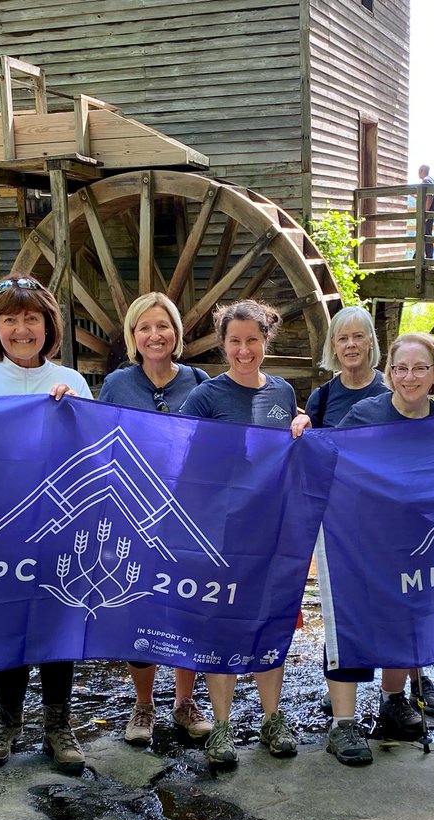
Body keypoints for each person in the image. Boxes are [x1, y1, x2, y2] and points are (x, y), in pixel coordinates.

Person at [306, 309, 434, 767]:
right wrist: (301, 432)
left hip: (417, 538)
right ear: (390, 373)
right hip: (361, 537)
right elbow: (329, 461)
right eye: (402, 368)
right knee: (350, 618)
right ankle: (343, 724)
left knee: (407, 615)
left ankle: (393, 697)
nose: (410, 377)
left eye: (419, 368)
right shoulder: (365, 413)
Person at [0, 275, 92, 776]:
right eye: (11, 319)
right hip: (0, 522)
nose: (22, 329)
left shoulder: (73, 383)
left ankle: (59, 724)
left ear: (48, 326)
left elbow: (93, 454)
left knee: (58, 618)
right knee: (6, 619)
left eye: (31, 318)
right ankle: (7, 721)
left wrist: (74, 414)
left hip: (61, 523)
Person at [179, 299, 311, 768]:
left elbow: (285, 450)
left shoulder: (281, 392)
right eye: (234, 341)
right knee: (220, 625)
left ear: (265, 340)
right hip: (221, 533)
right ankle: (222, 726)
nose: (243, 349)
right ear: (223, 344)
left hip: (271, 529)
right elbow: (183, 465)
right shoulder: (206, 397)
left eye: (252, 340)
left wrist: (302, 426)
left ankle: (273, 719)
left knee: (270, 621)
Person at [98, 292, 214, 746]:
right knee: (139, 607)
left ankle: (184, 702)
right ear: (132, 336)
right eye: (143, 328)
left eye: (162, 326)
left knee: (187, 606)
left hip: (189, 515)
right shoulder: (117, 385)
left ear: (177, 334)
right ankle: (143, 705)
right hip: (134, 514)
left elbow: (223, 440)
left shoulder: (200, 381)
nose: (154, 335)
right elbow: (100, 442)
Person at [418, 164, 434, 260]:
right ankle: (419, 256)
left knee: (426, 233)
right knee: (425, 233)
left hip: (428, 212)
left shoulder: (426, 180)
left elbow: (429, 197)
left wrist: (425, 213)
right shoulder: (431, 180)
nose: (418, 173)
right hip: (431, 211)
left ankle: (428, 257)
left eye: (419, 171)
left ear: (422, 171)